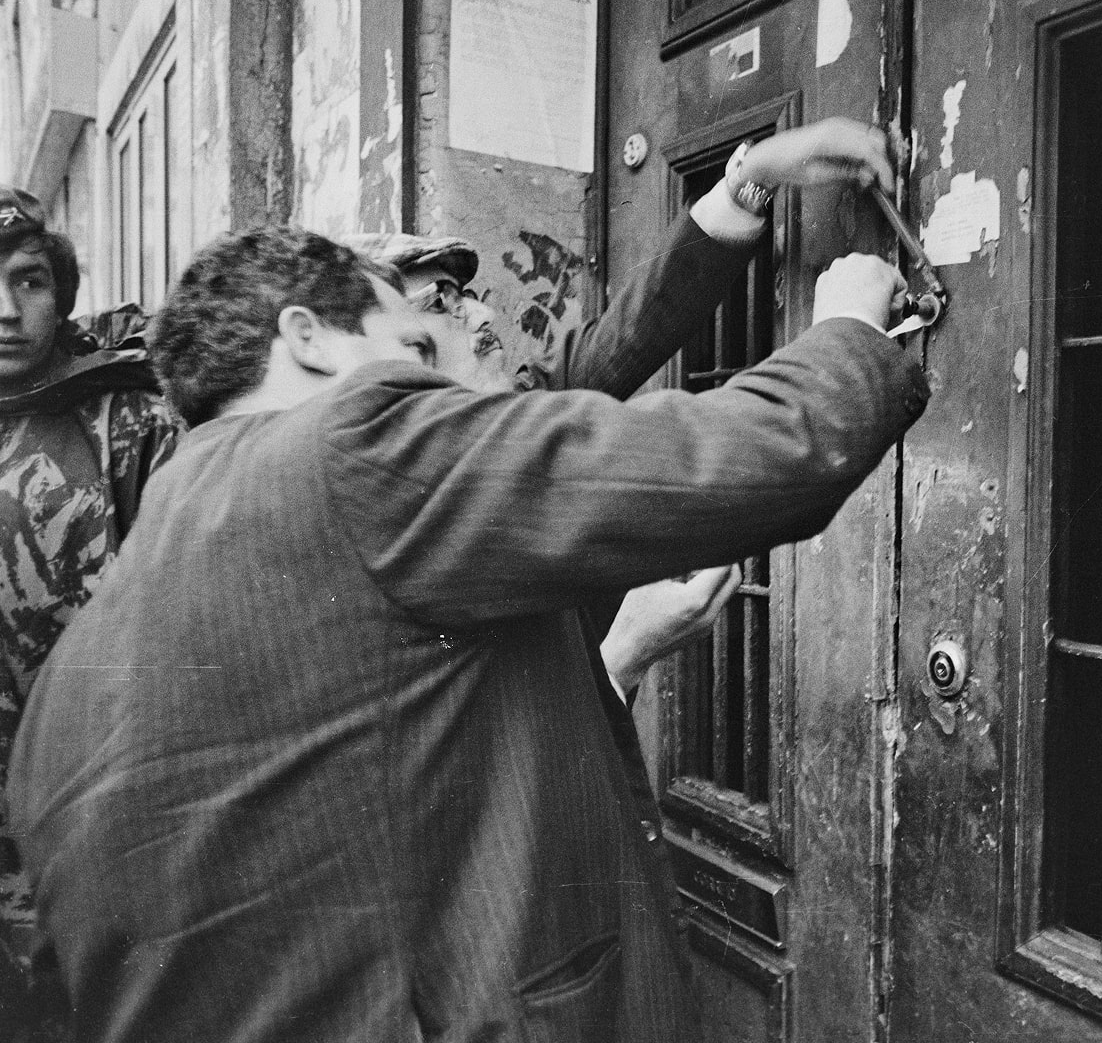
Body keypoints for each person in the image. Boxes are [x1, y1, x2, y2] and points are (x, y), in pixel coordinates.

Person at [9, 119, 927, 1042]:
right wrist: (848, 325)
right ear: (311, 340)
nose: (452, 366)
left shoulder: (67, 688)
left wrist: (746, 191)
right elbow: (763, 455)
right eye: (416, 343)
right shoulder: (348, 452)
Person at [345, 232, 743, 703]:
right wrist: (625, 655)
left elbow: (629, 333)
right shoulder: (381, 533)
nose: (483, 314)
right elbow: (491, 760)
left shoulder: (502, 420)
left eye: (466, 296)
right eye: (440, 303)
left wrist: (747, 185)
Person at [0, 187, 181, 1036]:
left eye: (28, 280)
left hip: (92, 817)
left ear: (61, 292)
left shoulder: (130, 421)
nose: (6, 309)